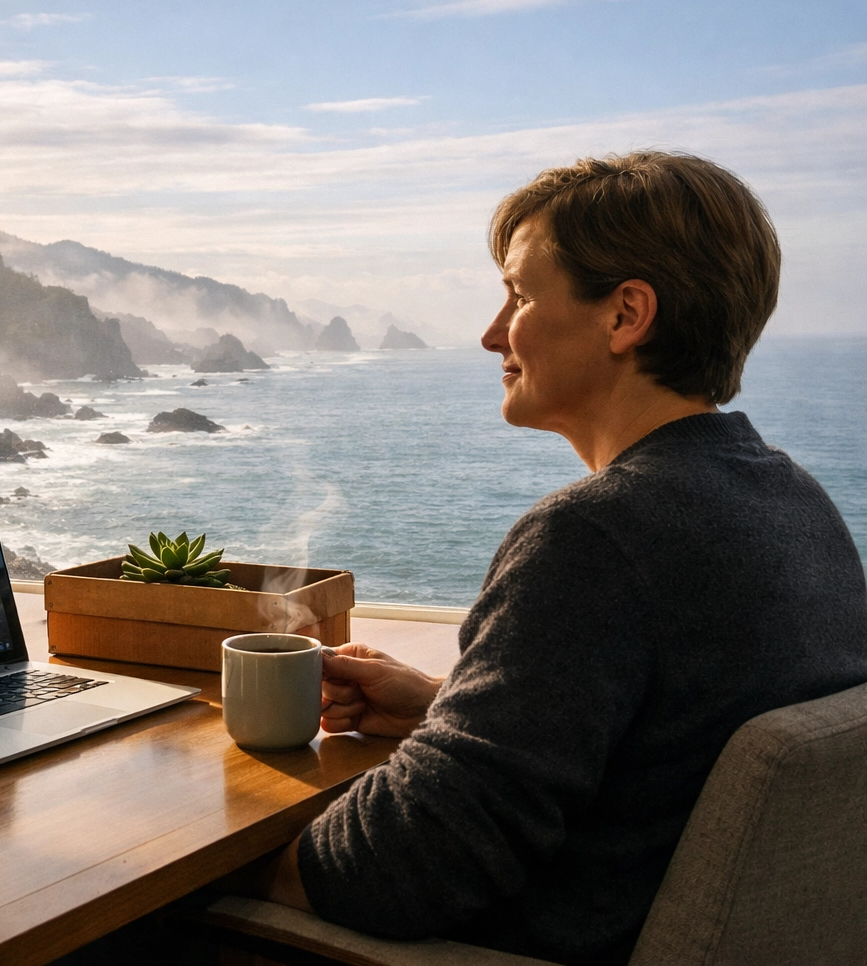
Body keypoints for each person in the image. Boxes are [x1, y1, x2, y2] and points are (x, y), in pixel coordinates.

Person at [249, 151, 867, 966]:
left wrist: (233, 873)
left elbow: (416, 861)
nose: (491, 334)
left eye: (519, 295)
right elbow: (671, 746)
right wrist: (446, 709)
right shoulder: (797, 505)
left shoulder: (594, 538)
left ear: (626, 315)